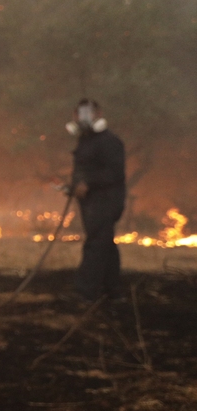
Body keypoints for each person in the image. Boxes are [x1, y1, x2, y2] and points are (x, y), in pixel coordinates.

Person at [67, 99, 126, 300]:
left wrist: (88, 183)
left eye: (88, 113)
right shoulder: (84, 141)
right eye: (79, 113)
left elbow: (114, 173)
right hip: (91, 202)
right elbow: (81, 170)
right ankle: (113, 289)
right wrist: (75, 185)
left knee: (96, 243)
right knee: (104, 243)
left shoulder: (110, 141)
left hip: (107, 201)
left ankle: (85, 291)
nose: (83, 118)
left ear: (98, 114)